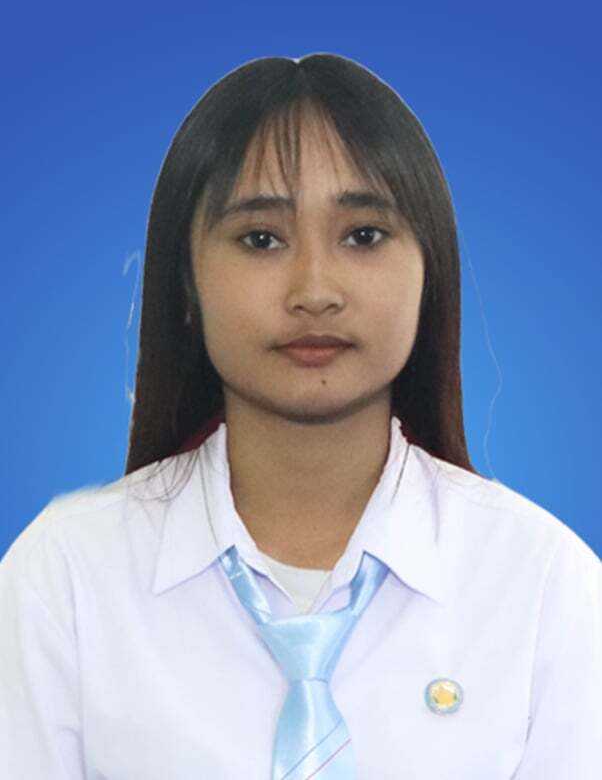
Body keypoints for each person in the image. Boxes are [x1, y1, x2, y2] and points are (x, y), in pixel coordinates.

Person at [0, 53, 600, 779]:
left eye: (363, 236)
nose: (314, 290)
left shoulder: (542, 583)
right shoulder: (65, 575)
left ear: (430, 270)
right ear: (186, 281)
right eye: (261, 239)